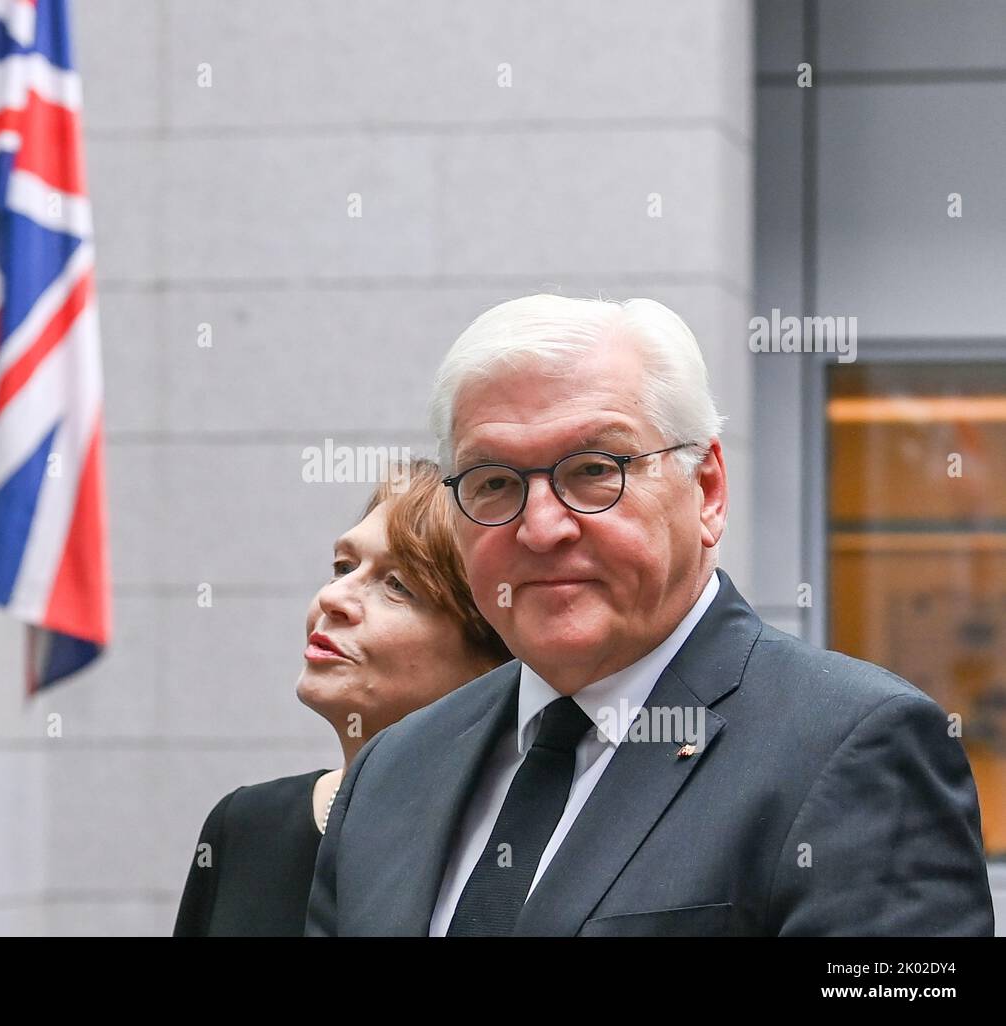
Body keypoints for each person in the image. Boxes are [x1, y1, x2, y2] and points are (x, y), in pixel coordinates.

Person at [306, 294, 995, 936]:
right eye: (494, 483)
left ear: (708, 490)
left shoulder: (853, 748)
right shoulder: (393, 771)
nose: (542, 528)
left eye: (594, 469)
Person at [173, 459, 510, 936]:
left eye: (397, 585)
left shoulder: (516, 845)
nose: (334, 598)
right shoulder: (247, 825)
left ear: (492, 659)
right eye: (343, 566)